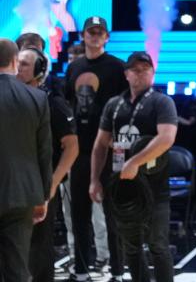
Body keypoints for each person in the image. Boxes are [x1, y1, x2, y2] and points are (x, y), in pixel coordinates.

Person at [90, 52, 177, 282]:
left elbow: (167, 138)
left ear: (152, 72)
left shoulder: (161, 101)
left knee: (157, 244)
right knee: (131, 247)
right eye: (135, 70)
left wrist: (134, 162)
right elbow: (100, 144)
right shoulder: (114, 105)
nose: (141, 73)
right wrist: (94, 179)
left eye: (145, 69)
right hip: (124, 189)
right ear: (126, 74)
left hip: (155, 186)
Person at [64, 16, 127, 281]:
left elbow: (128, 108)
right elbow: (69, 105)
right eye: (91, 32)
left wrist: (121, 146)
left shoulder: (117, 67)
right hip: (81, 150)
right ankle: (80, 269)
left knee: (113, 213)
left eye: (100, 32)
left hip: (111, 150)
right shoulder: (74, 67)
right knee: (79, 213)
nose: (95, 36)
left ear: (107, 37)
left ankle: (117, 270)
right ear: (83, 35)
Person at [17, 46, 78, 282]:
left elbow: (72, 147)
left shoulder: (52, 102)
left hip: (40, 185)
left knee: (38, 250)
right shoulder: (10, 98)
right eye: (17, 62)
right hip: (14, 182)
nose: (18, 68)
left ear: (40, 70)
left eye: (24, 64)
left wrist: (52, 183)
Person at [0, 38, 52, 282]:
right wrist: (43, 195)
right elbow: (44, 152)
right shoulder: (37, 98)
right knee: (17, 267)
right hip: (22, 194)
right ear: (14, 61)